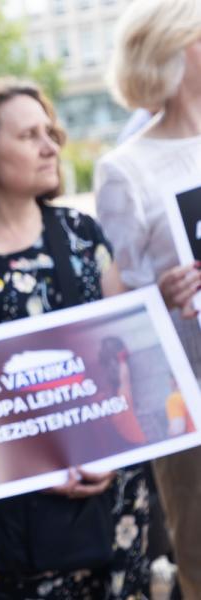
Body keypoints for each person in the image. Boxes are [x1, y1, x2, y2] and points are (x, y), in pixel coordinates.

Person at [0, 78, 149, 598]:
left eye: (50, 131)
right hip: (9, 512)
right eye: (28, 135)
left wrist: (112, 449)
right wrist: (20, 462)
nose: (50, 145)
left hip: (108, 491)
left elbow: (124, 348)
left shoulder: (82, 234)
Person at [94, 1, 201, 595]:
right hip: (186, 396)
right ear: (176, 49)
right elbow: (120, 308)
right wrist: (160, 292)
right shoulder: (126, 169)